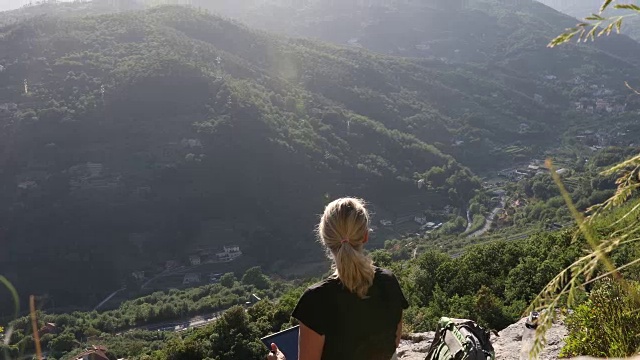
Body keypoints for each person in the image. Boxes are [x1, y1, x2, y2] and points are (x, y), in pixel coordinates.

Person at [267, 197, 409, 360]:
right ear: (365, 236)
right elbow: (394, 342)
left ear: (325, 240)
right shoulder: (388, 282)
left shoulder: (315, 300)